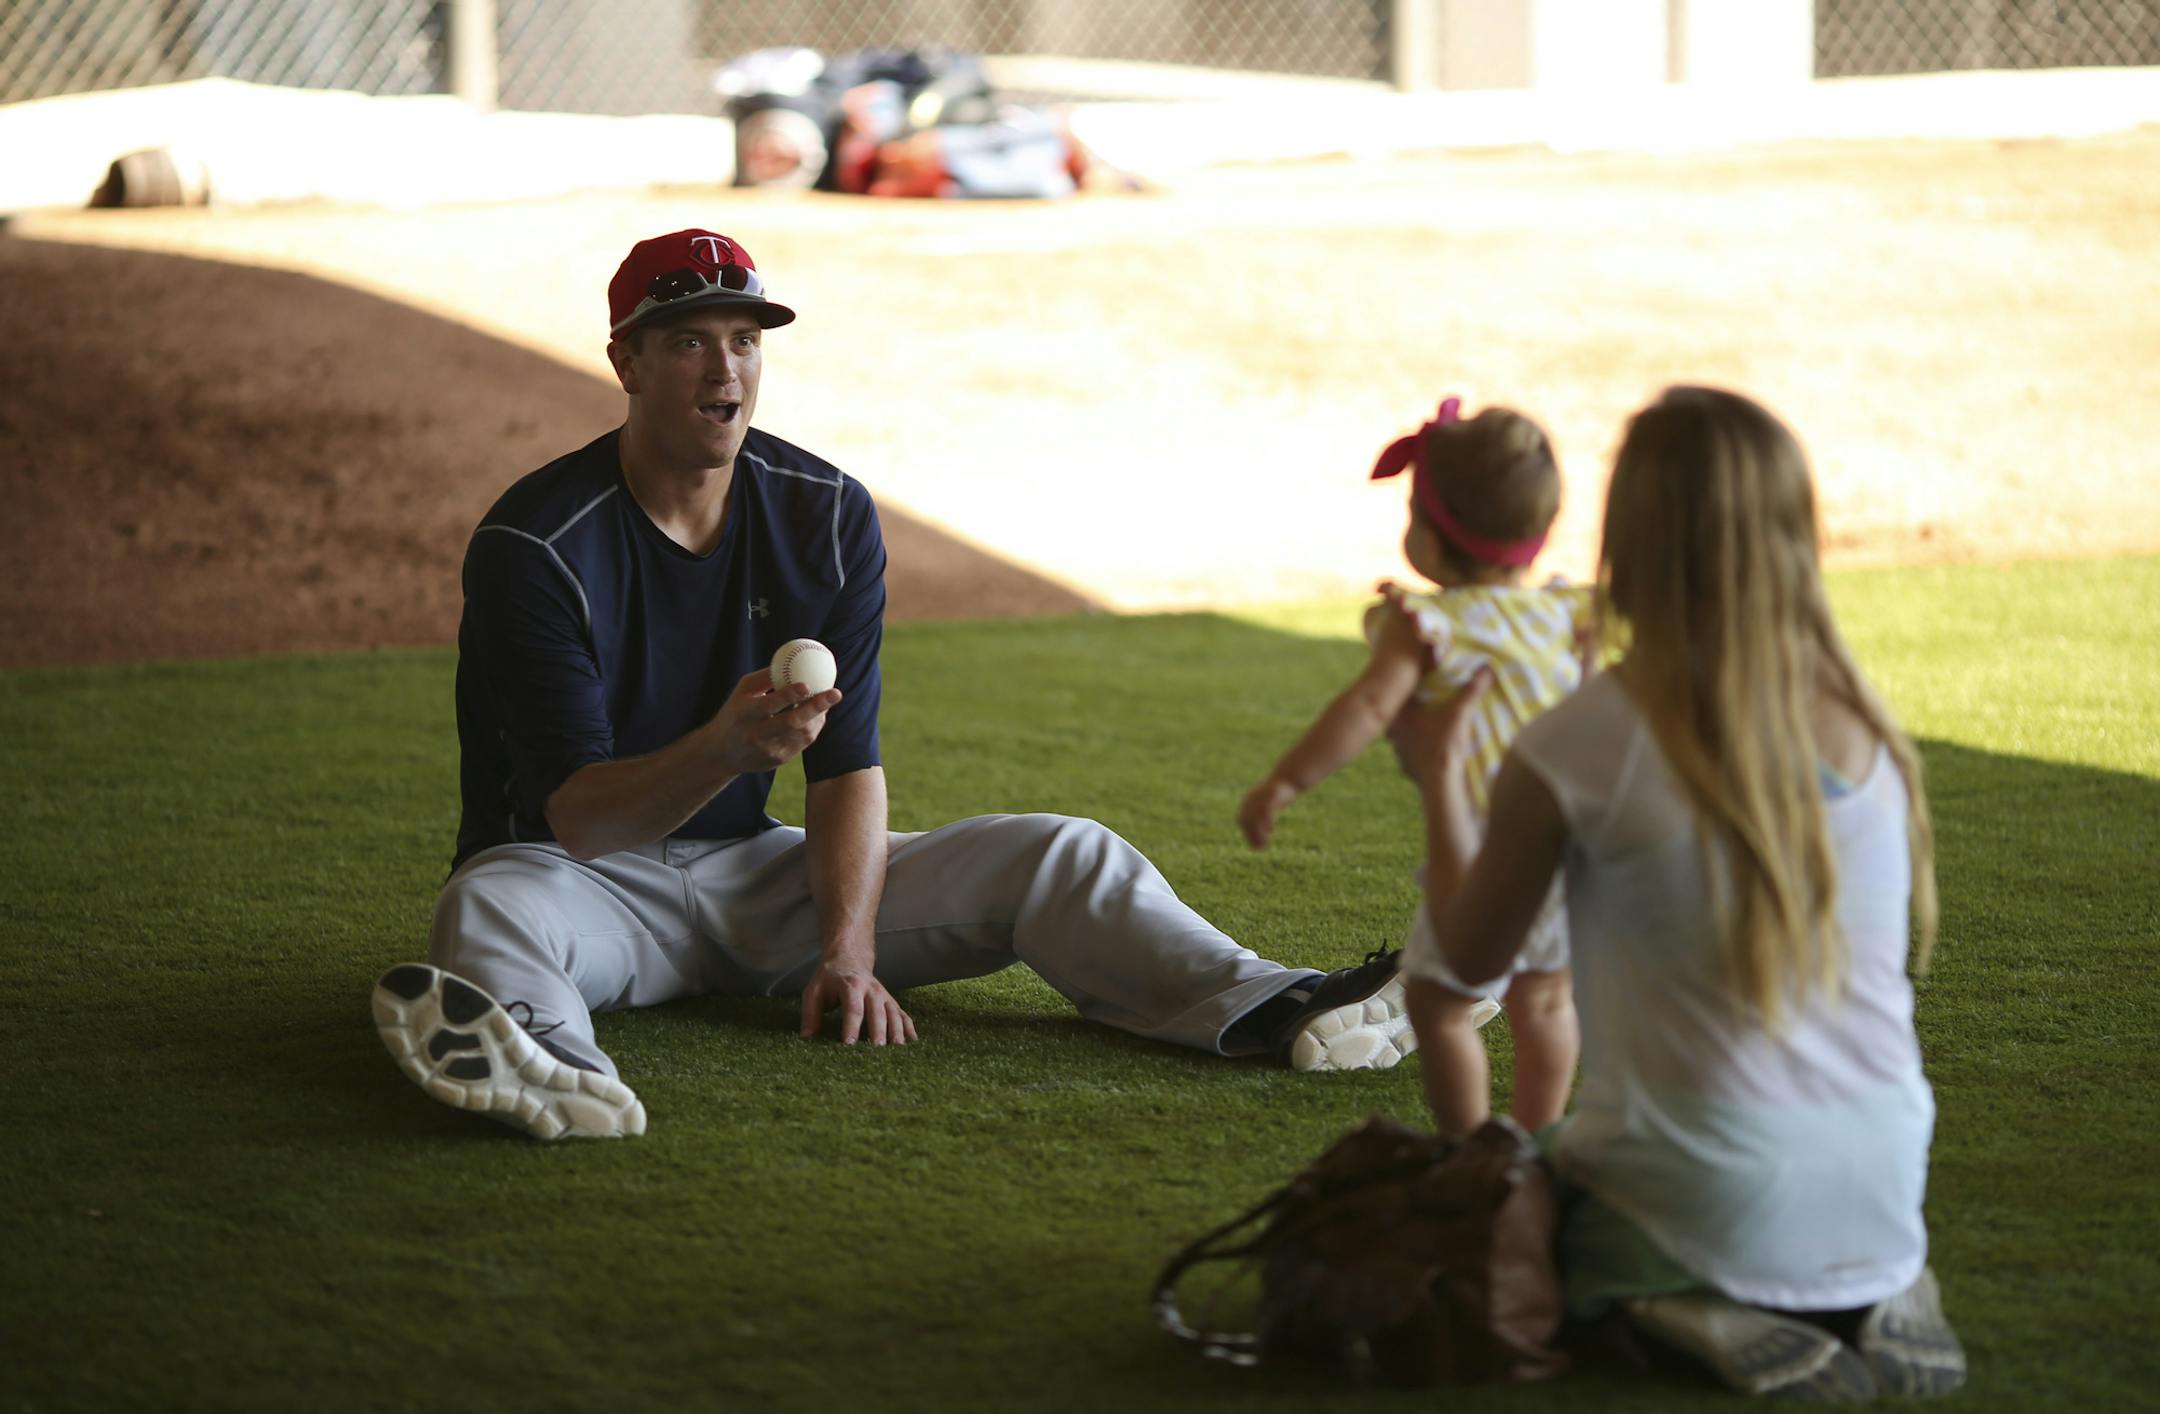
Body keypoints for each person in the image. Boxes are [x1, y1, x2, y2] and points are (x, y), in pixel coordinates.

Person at [369, 228, 1410, 1140]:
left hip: (755, 876)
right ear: (627, 362)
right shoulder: (537, 544)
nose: (722, 369)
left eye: (745, 339)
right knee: (485, 908)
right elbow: (583, 821)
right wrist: (728, 749)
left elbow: (846, 764)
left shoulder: (823, 513)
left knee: (1060, 851)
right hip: (577, 885)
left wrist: (848, 953)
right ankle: (548, 1064)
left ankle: (1285, 1006)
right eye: (688, 340)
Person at [1390, 386, 1964, 1399]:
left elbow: (1471, 958)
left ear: (1629, 538)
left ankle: (1667, 1295)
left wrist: (1437, 775)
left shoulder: (1581, 740)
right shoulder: (1867, 724)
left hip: (1705, 1196)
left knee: (1526, 1186)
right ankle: (1874, 1288)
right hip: (1889, 1180)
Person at [1237, 397, 1587, 1111]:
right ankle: (1533, 1139)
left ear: (1430, 534)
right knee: (1547, 1001)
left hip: (1478, 849)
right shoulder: (1566, 613)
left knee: (1438, 1001)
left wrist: (1285, 781)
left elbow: (1368, 708)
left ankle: (1467, 1146)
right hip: (1567, 842)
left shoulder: (1426, 625)